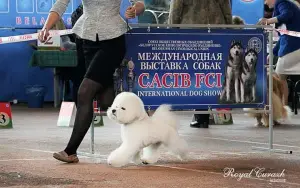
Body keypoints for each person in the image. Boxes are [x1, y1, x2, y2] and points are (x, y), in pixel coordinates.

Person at [38, 0, 145, 163]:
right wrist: (46, 27)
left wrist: (135, 10)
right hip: (85, 39)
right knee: (105, 101)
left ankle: (70, 151)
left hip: (113, 40)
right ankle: (134, 122)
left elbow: (140, 4)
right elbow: (60, 4)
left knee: (85, 92)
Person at [168, 0, 232, 128]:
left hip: (191, 33)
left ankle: (201, 115)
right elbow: (226, 8)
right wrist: (230, 29)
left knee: (196, 74)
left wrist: (171, 31)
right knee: (211, 73)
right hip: (216, 31)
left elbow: (176, 10)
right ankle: (204, 114)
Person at [258, 0, 300, 106]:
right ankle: (283, 107)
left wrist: (268, 21)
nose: (265, 2)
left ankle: (282, 108)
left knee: (278, 77)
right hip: (293, 44)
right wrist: (272, 53)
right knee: (281, 77)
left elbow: (287, 15)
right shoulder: (284, 4)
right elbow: (284, 35)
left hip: (293, 46)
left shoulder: (281, 2)